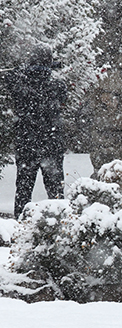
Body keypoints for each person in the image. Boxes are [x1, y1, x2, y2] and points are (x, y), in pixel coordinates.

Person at [6, 47, 67, 215]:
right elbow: (63, 97)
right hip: (51, 143)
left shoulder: (19, 82)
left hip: (26, 143)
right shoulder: (57, 83)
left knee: (23, 191)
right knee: (55, 190)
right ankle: (59, 224)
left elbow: (8, 82)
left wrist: (22, 70)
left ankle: (20, 224)